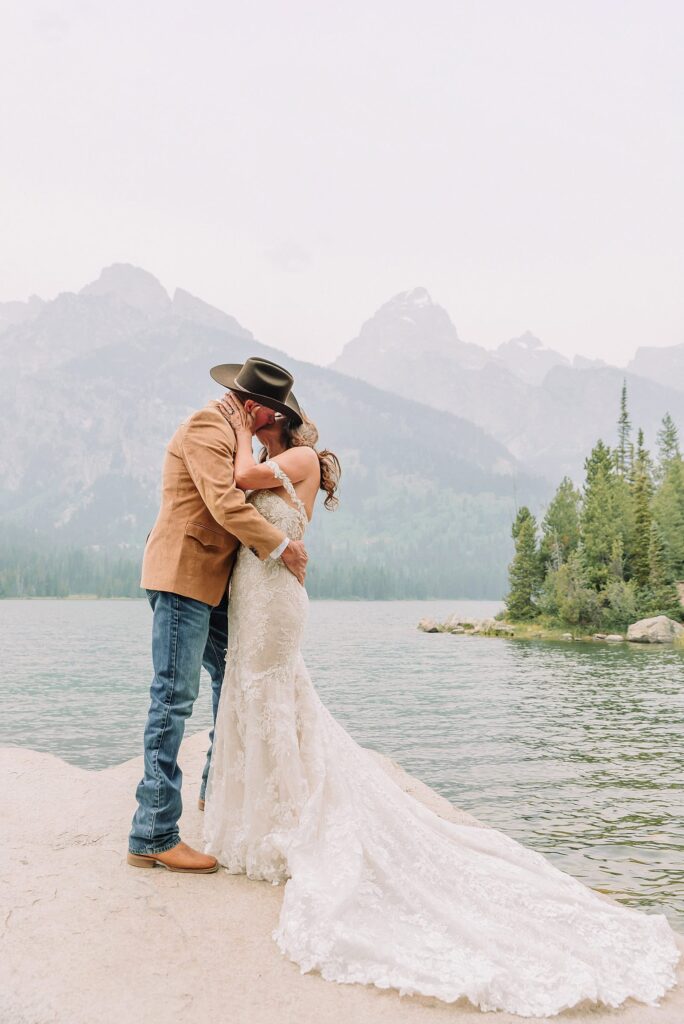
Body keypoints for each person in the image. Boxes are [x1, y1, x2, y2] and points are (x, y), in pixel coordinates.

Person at [203, 393, 680, 1018]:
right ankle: (261, 819)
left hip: (276, 601)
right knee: (256, 694)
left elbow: (239, 478)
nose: (242, 412)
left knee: (272, 693)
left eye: (250, 407)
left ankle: (288, 821)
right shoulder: (275, 455)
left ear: (271, 414)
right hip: (254, 592)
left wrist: (234, 431)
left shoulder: (299, 458)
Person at [127, 357, 308, 874]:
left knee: (233, 677)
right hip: (183, 578)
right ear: (254, 407)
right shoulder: (209, 425)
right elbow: (225, 503)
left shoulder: (237, 432)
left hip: (212, 585)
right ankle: (153, 832)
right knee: (172, 698)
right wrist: (282, 548)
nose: (271, 428)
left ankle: (212, 789)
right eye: (271, 419)